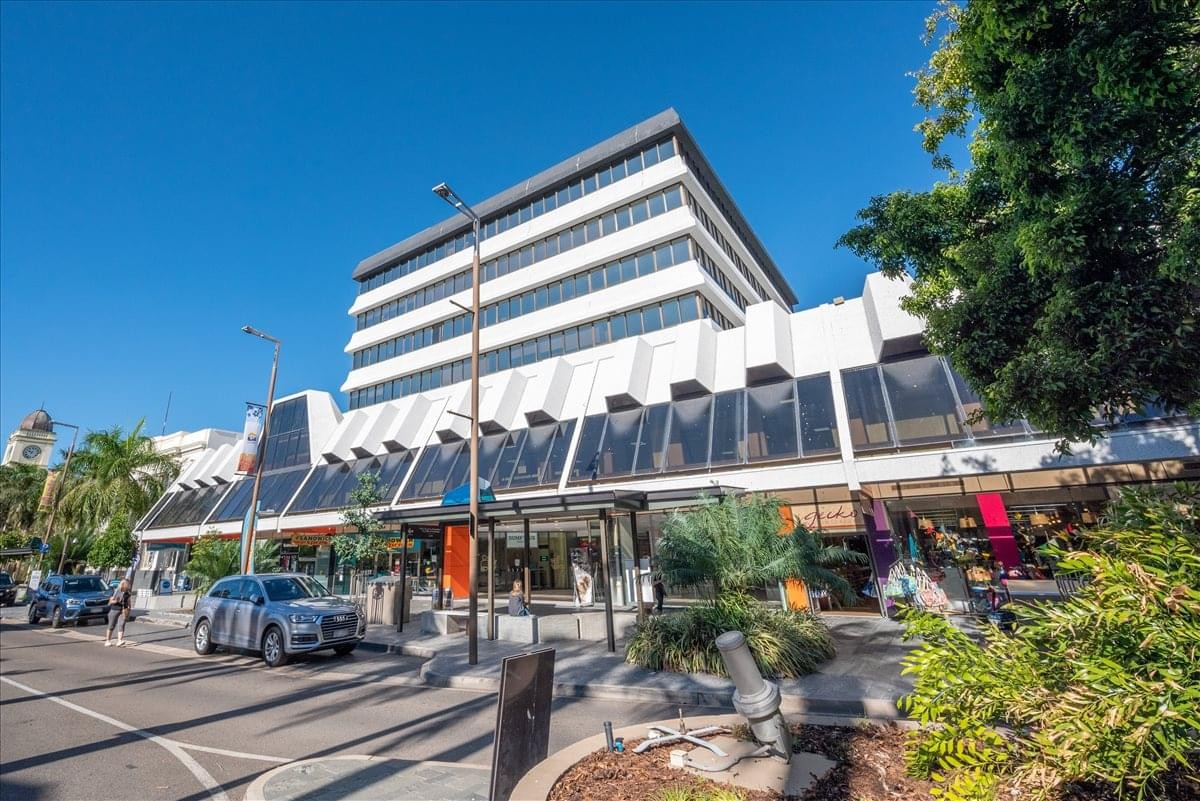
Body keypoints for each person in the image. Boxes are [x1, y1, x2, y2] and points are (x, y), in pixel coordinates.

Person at [104, 578, 133, 647]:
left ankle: (119, 641)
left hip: (123, 610)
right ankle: (107, 640)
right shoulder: (117, 591)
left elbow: (129, 601)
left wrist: (129, 608)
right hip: (115, 609)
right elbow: (110, 602)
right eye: (128, 584)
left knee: (121, 624)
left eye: (129, 584)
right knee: (111, 625)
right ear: (123, 584)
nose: (129, 585)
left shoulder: (128, 593)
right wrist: (116, 601)